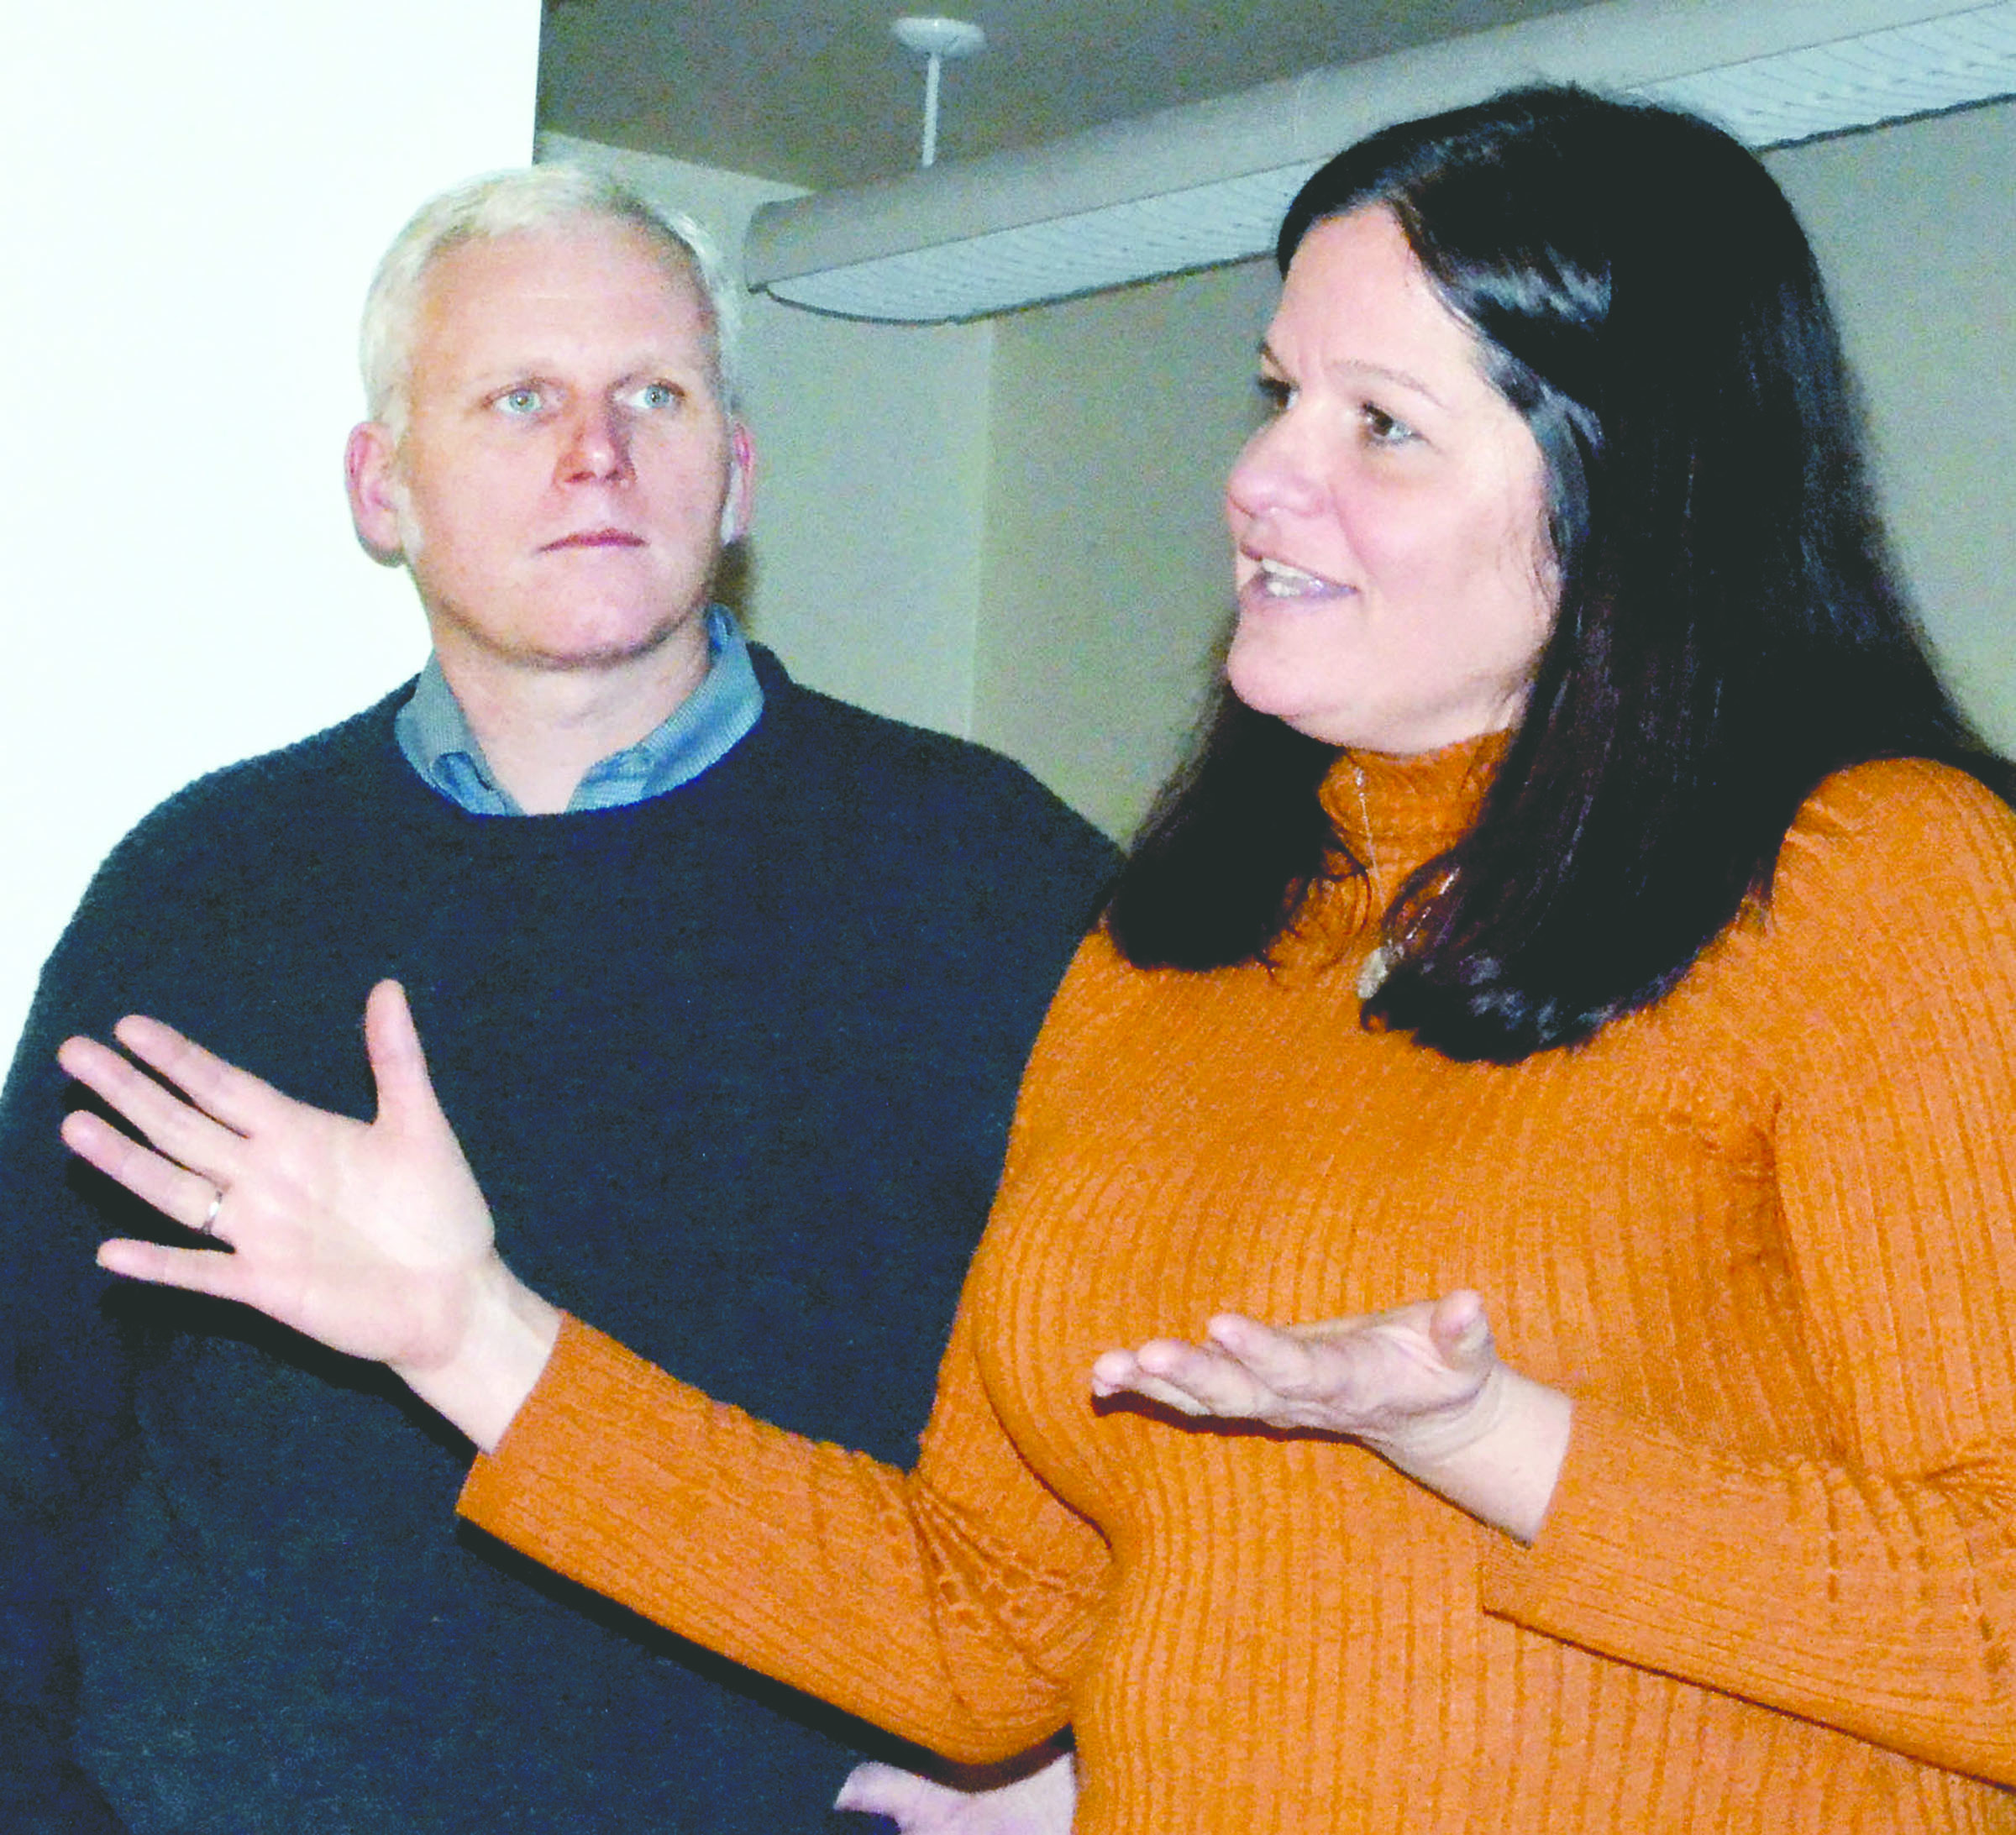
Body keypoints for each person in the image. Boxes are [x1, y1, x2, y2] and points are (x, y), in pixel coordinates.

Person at [58, 86, 2016, 1832]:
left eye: (1382, 427)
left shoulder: (1889, 889)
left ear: (1628, 492)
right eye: (1276, 396)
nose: (1259, 478)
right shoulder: (1180, 955)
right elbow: (980, 1623)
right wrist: (462, 1329)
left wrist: (1502, 1445)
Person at [0, 165, 1113, 1833]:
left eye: (653, 396)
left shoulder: (992, 879)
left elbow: (1147, 1433)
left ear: (737, 475)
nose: (596, 454)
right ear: (385, 489)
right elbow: (26, 1428)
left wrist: (1088, 1758)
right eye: (519, 399)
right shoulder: (206, 888)